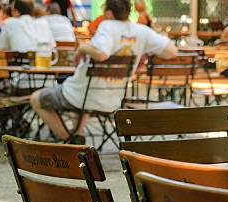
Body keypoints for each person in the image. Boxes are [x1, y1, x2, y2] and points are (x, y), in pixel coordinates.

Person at [30, 0, 177, 143]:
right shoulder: (140, 30)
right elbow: (171, 51)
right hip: (113, 99)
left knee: (35, 98)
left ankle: (69, 139)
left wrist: (83, 47)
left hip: (80, 94)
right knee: (85, 97)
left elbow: (101, 54)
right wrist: (148, 48)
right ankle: (77, 134)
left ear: (109, 13)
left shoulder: (108, 25)